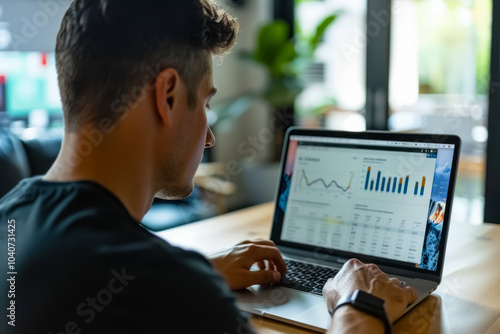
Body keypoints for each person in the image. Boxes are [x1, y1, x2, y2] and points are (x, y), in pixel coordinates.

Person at [0, 1, 417, 333]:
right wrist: (360, 306)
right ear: (166, 96)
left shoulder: (11, 218)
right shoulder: (175, 290)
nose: (211, 136)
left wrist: (198, 269)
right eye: (205, 102)